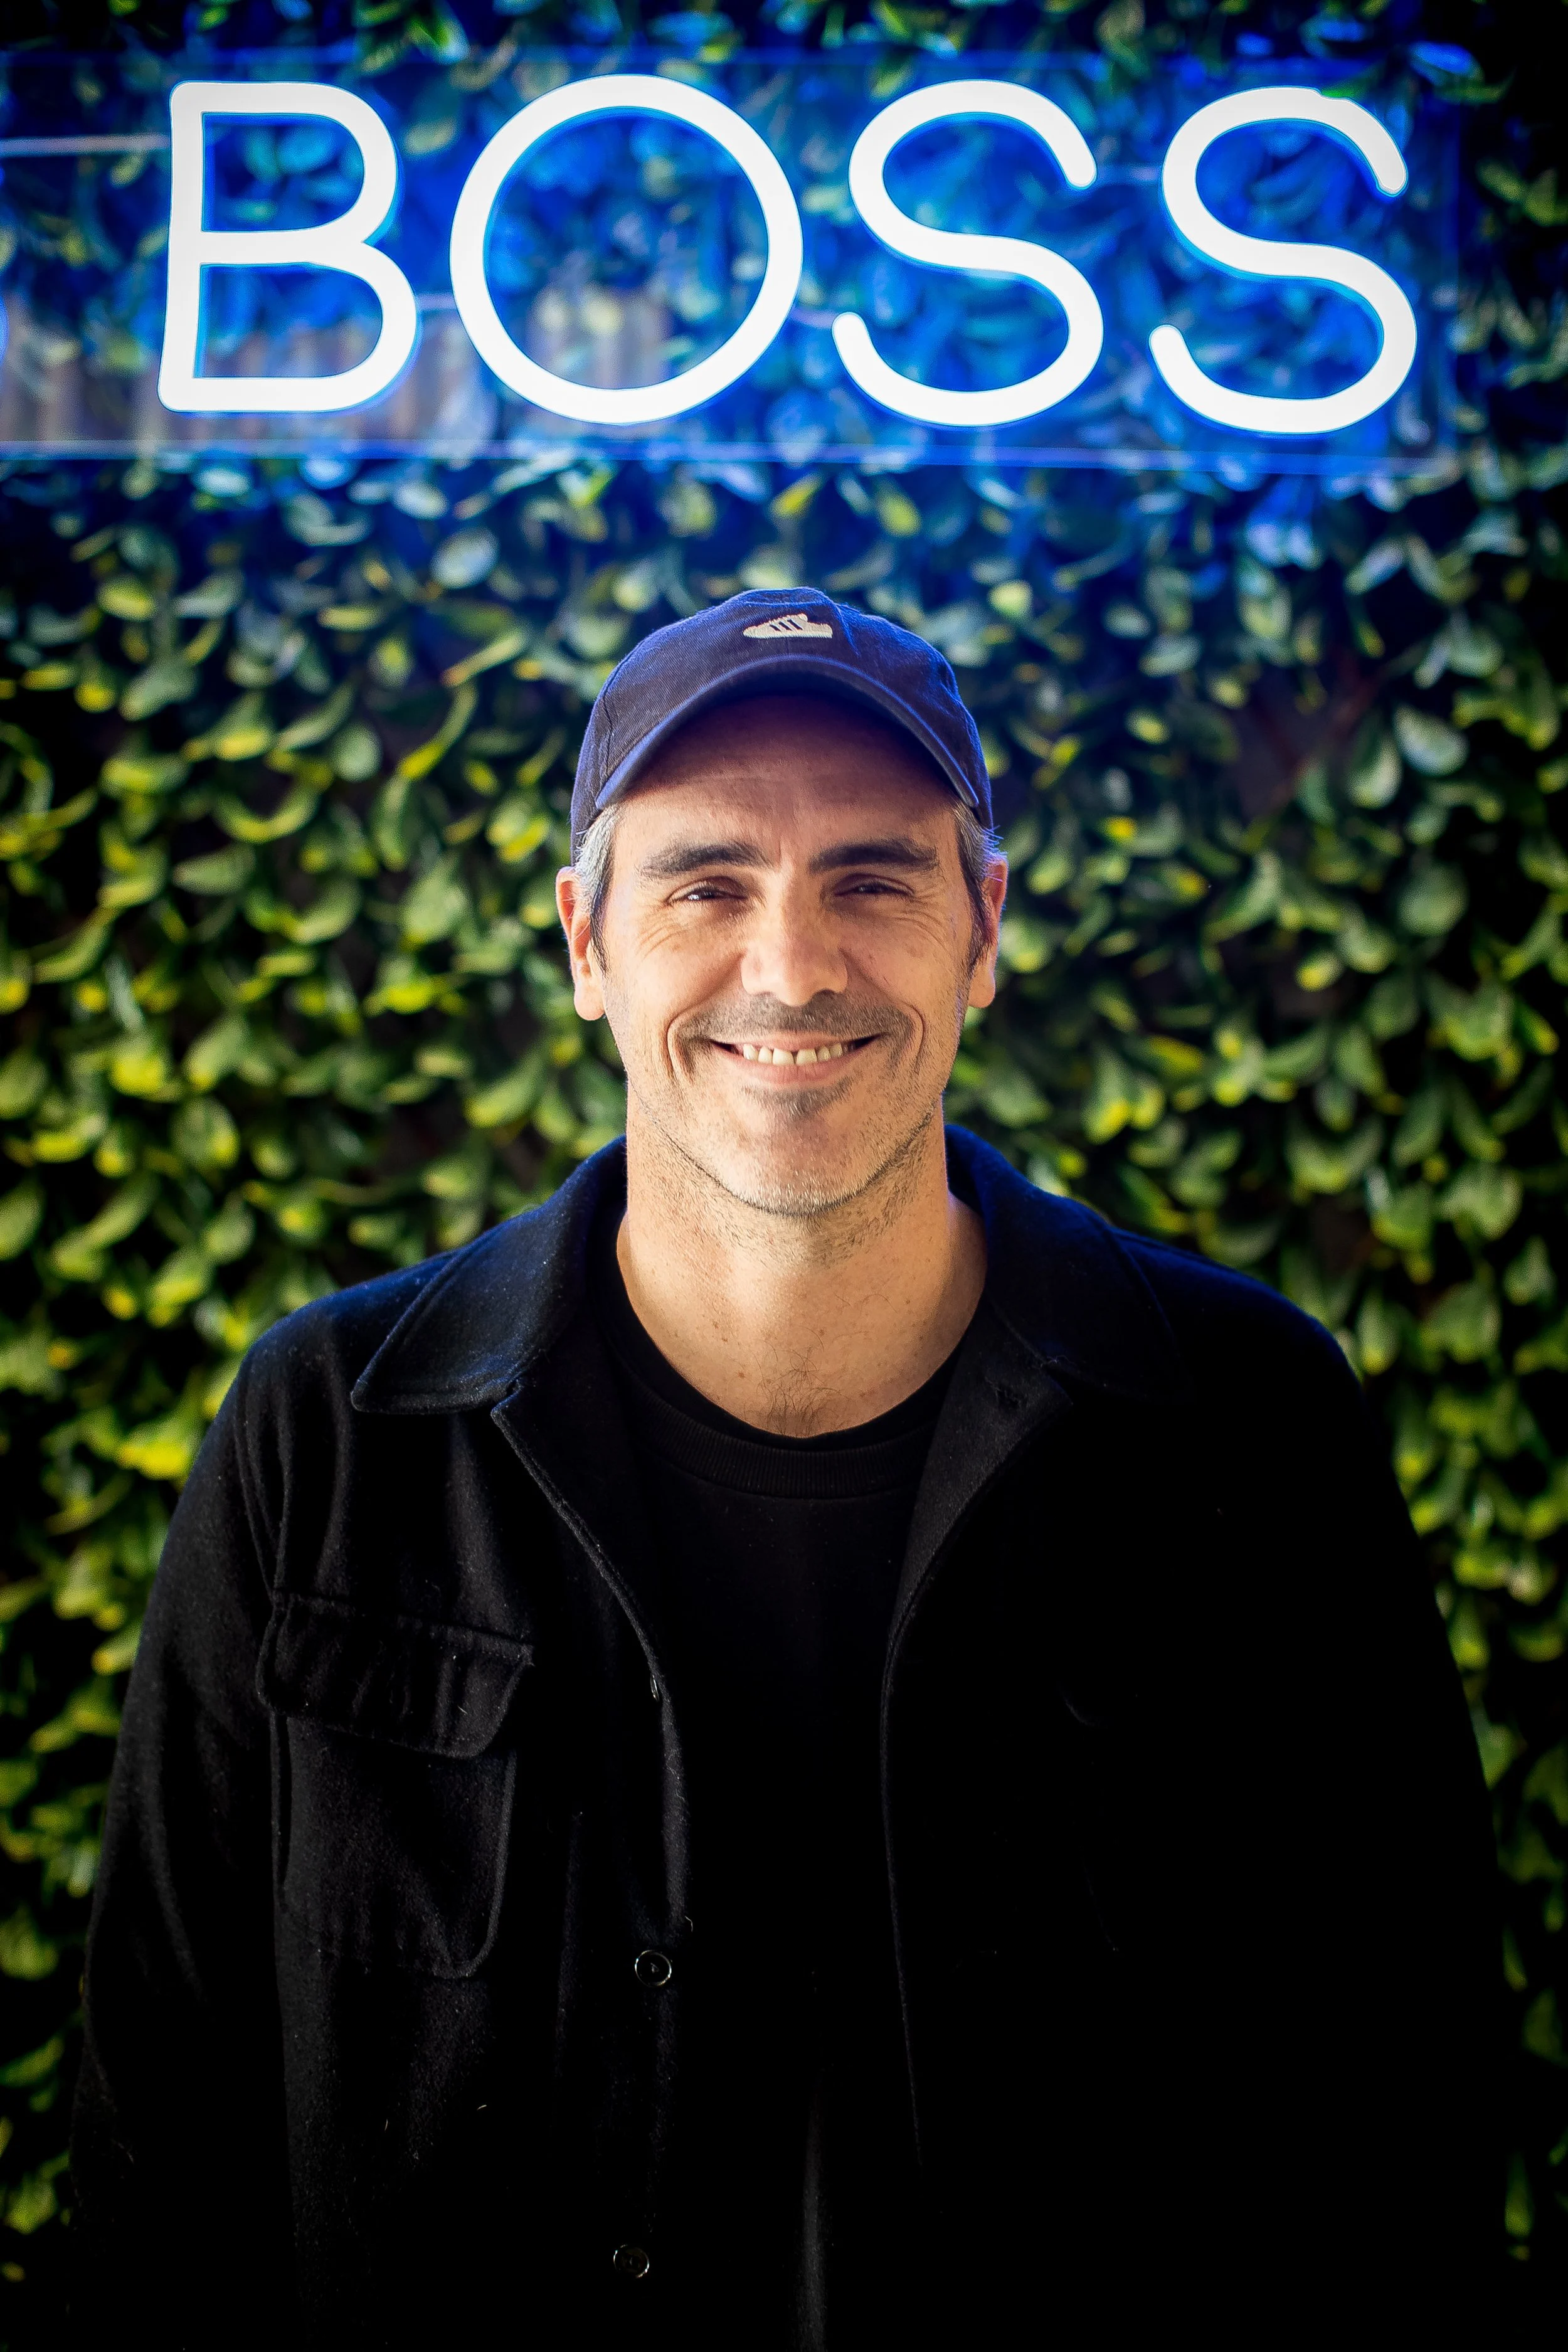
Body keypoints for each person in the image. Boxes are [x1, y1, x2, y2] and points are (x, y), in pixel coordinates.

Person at [72, 588, 1498, 2346]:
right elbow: (158, 2135)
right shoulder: (331, 1432)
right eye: (707, 884)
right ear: (587, 940)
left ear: (983, 925)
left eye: (872, 879)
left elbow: (1408, 2116)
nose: (794, 963)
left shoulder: (1244, 1424)